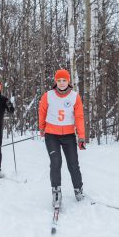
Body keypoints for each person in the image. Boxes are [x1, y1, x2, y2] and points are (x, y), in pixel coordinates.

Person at [38, 69, 86, 208]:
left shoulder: (75, 97)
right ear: (55, 81)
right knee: (56, 162)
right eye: (59, 80)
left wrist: (81, 137)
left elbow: (79, 117)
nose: (62, 83)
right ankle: (56, 192)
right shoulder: (48, 96)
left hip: (69, 135)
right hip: (51, 135)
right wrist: (42, 127)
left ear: (68, 81)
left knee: (73, 164)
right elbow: (42, 111)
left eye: (64, 80)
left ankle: (78, 189)